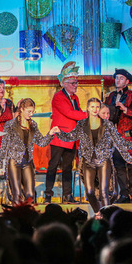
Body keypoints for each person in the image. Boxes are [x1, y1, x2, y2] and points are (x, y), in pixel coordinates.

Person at [55, 98, 132, 213]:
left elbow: (119, 142)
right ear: (88, 108)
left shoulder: (107, 124)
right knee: (89, 192)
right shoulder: (82, 124)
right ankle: (98, 213)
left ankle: (106, 216)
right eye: (92, 107)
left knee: (104, 192)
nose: (95, 109)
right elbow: (70, 137)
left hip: (103, 161)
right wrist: (59, 132)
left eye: (97, 107)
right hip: (88, 161)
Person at [0, 98, 59, 204]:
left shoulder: (33, 124)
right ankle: (17, 213)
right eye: (29, 111)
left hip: (27, 161)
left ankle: (29, 212)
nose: (31, 114)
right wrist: (0, 165)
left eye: (32, 111)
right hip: (14, 161)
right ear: (22, 109)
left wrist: (50, 134)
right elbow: (4, 145)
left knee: (30, 194)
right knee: (16, 194)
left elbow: (41, 142)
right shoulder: (10, 125)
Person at [45, 61, 88, 204]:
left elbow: (77, 113)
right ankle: (48, 195)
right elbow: (70, 113)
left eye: (76, 83)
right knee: (53, 166)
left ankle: (67, 195)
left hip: (71, 138)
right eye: (73, 83)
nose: (75, 85)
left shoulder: (75, 98)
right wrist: (88, 114)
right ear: (64, 83)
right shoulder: (58, 96)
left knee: (68, 167)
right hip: (59, 137)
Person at [104, 69, 132, 203]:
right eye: (116, 78)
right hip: (115, 137)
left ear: (127, 81)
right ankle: (124, 194)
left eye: (121, 78)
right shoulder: (110, 96)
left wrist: (126, 109)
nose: (118, 80)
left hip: (129, 137)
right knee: (119, 167)